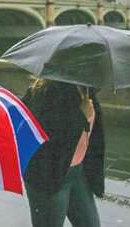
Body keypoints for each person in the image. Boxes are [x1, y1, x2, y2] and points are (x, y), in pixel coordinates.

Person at [22, 79, 105, 227]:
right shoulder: (45, 93)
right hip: (48, 176)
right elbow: (45, 140)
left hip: (77, 172)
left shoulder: (86, 88)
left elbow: (94, 138)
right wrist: (81, 117)